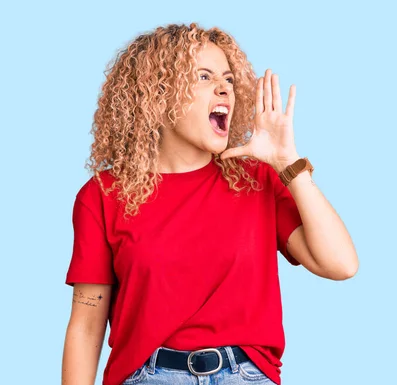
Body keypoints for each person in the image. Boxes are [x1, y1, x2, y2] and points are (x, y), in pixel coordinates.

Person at [61, 23, 358, 385]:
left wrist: (287, 164)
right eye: (203, 76)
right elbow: (86, 325)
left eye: (229, 79)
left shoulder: (257, 179)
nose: (224, 88)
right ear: (158, 93)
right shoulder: (102, 195)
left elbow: (341, 264)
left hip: (247, 376)